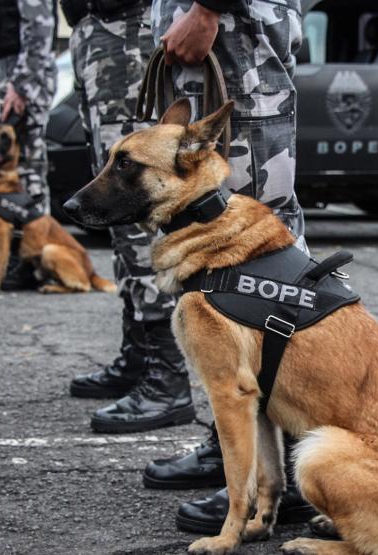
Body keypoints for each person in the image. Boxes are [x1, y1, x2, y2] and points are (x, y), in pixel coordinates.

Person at [141, 0, 315, 534]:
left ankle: (286, 472)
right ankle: (234, 447)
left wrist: (208, 8)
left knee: (259, 240)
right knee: (213, 254)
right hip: (209, 36)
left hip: (233, 32)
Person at [62, 0, 196, 434]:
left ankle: (168, 376)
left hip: (126, 31)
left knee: (132, 200)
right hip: (92, 30)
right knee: (111, 208)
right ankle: (139, 354)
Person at [0, 0, 57, 213]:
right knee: (7, 166)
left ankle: (33, 226)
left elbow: (39, 28)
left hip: (21, 74)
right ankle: (16, 229)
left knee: (26, 166)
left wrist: (21, 83)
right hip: (8, 69)